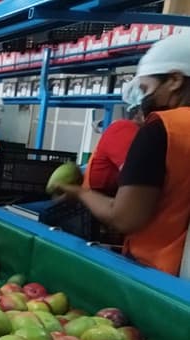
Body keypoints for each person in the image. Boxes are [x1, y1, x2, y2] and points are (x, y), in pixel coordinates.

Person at [58, 34, 190, 277]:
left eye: (146, 88)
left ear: (174, 80)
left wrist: (79, 192)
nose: (144, 100)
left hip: (158, 272)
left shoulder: (163, 128)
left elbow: (124, 218)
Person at [82, 79, 145, 196]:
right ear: (138, 113)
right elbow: (136, 176)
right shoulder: (124, 128)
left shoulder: (141, 133)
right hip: (98, 201)